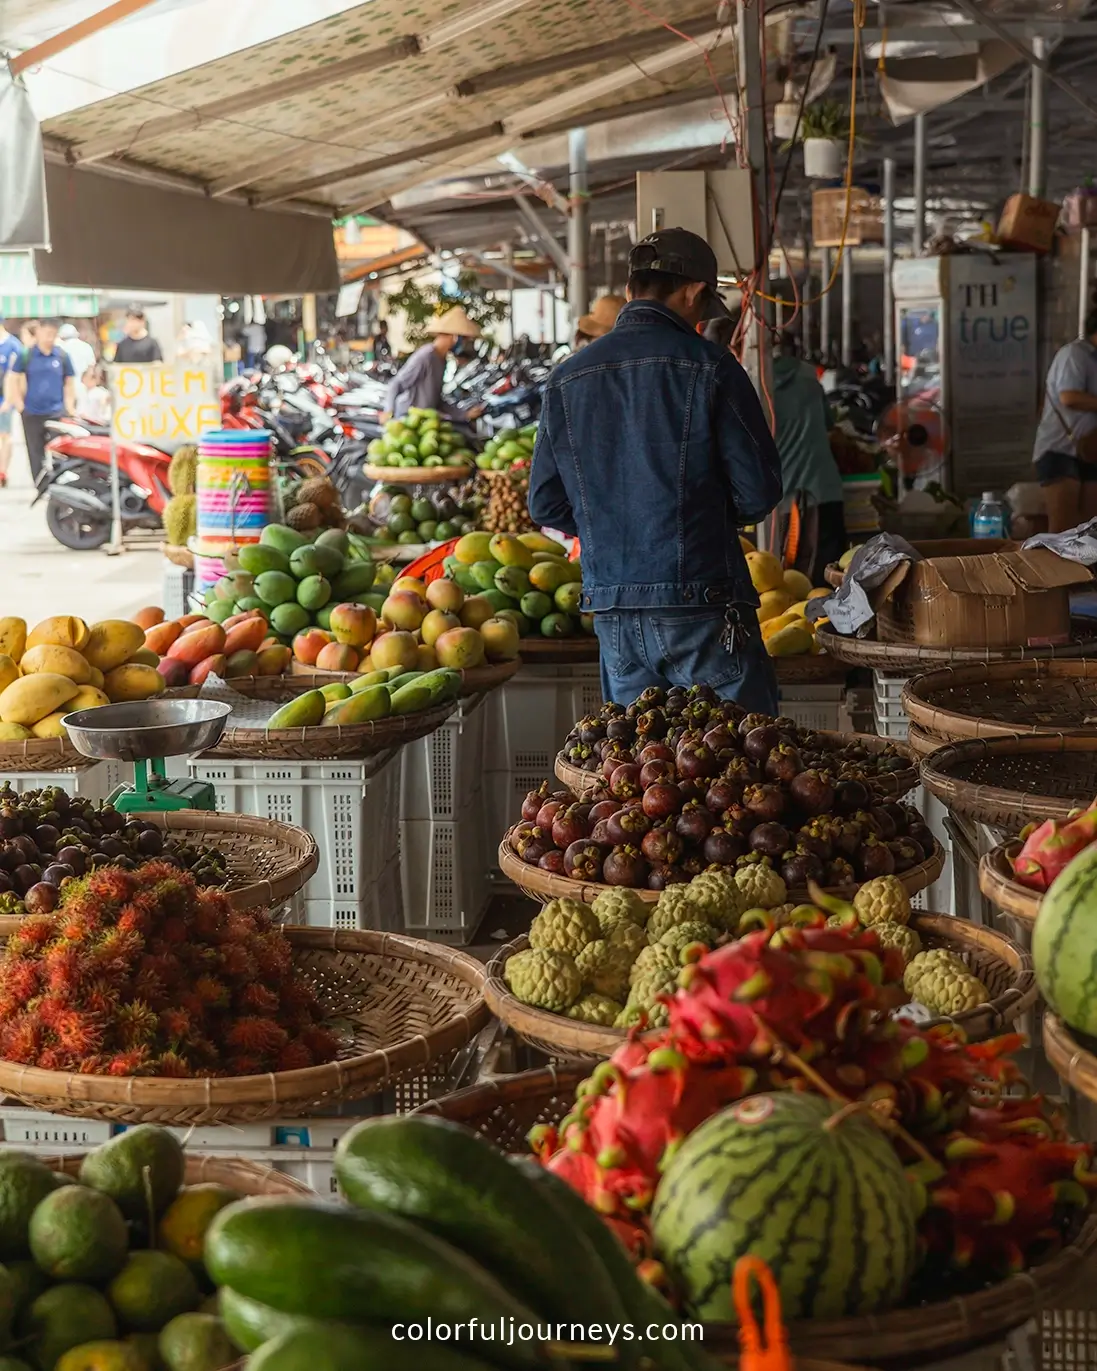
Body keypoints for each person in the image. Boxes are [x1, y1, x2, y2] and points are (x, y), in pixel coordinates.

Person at [528, 227, 783, 711]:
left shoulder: (565, 380)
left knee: (639, 771)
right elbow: (758, 493)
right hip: (704, 609)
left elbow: (545, 503)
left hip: (613, 614)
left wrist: (611, 522)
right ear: (693, 292)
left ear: (629, 290)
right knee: (741, 770)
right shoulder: (711, 366)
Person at [765, 332, 846, 584]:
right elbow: (829, 423)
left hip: (783, 500)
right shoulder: (809, 375)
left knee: (790, 578)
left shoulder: (754, 383)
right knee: (833, 577)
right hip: (824, 488)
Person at [1033, 310, 1097, 532]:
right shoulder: (1076, 354)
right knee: (1063, 530)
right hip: (1060, 449)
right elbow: (1069, 397)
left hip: (1089, 450)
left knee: (1090, 530)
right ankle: (1056, 568)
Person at [3, 318, 75, 483]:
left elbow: (69, 382)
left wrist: (69, 406)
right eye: (47, 333)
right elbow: (13, 378)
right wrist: (19, 404)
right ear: (39, 332)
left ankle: (59, 482)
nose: (50, 337)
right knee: (35, 451)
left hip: (57, 411)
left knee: (59, 449)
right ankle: (40, 483)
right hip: (32, 411)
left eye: (53, 333)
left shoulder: (62, 355)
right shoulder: (26, 354)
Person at [384, 306, 484, 420]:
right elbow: (397, 383)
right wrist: (388, 411)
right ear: (455, 337)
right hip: (408, 418)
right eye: (464, 339)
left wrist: (464, 414)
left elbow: (436, 400)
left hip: (426, 420)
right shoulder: (425, 356)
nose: (464, 344)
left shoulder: (441, 360)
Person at [0, 318, 21, 490]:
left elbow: (15, 376)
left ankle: (3, 470)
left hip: (4, 399)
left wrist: (10, 399)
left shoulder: (12, 345)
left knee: (5, 436)